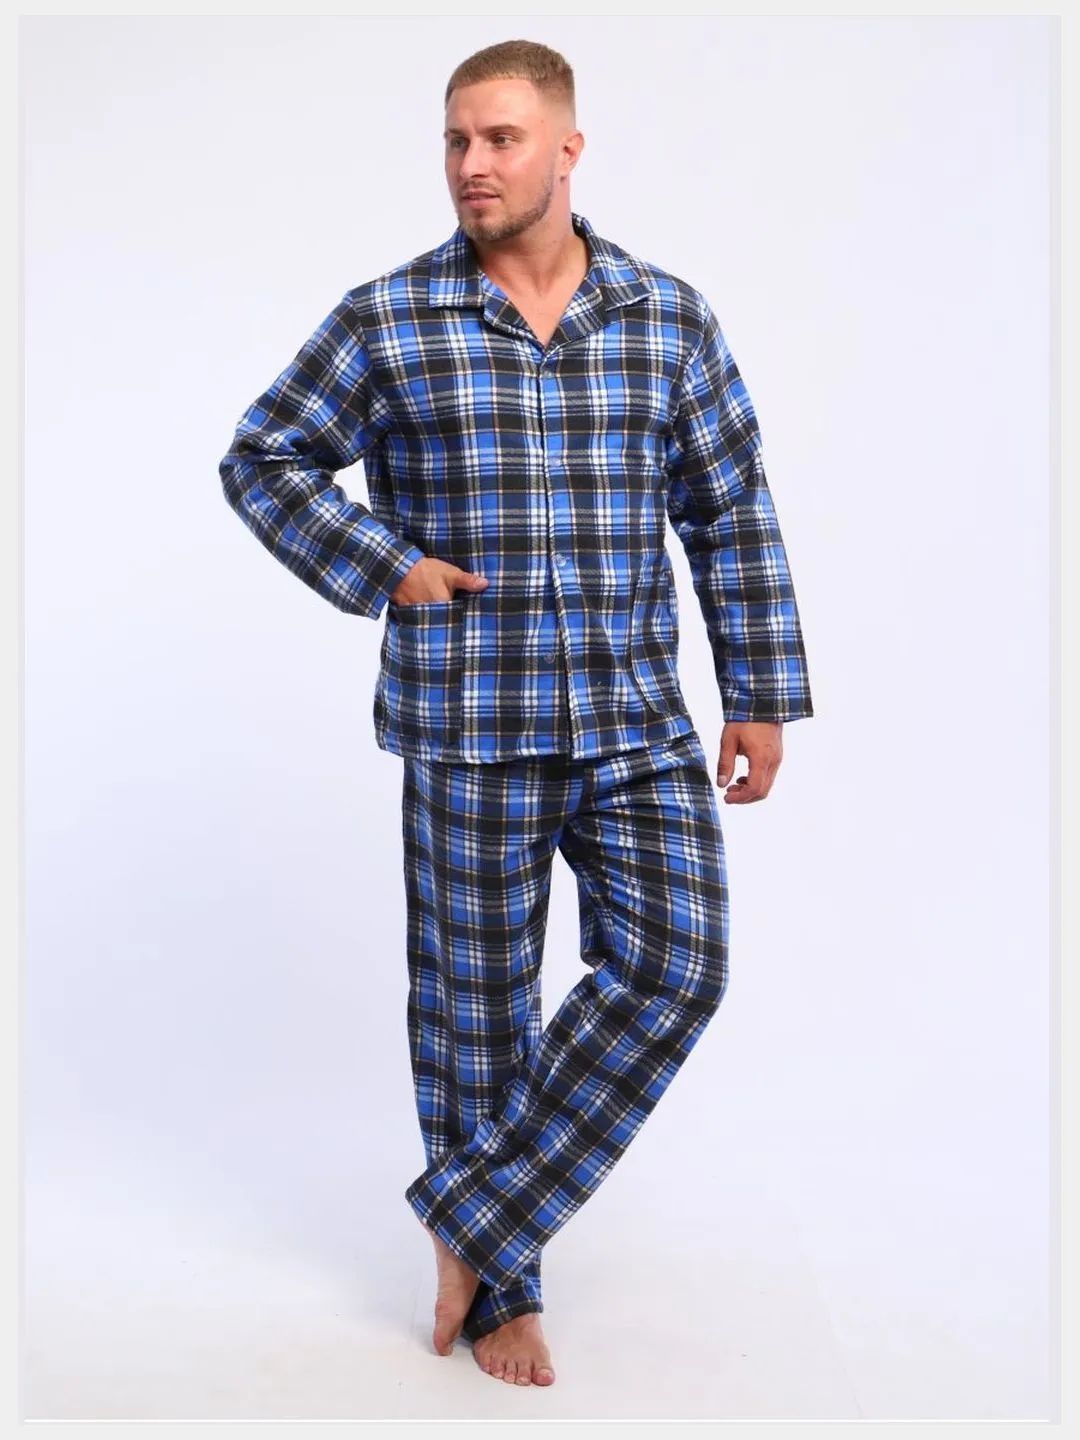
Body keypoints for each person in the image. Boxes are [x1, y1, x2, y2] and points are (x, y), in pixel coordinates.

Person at [218, 38, 814, 1390]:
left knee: (677, 967)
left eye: (499, 139)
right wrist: (381, 562)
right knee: (475, 1011)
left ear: (567, 151)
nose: (472, 166)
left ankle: (472, 1219)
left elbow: (729, 509)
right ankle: (504, 1294)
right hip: (467, 721)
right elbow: (263, 459)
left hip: (633, 719)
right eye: (455, 141)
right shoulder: (389, 319)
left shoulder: (667, 319)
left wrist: (760, 690)